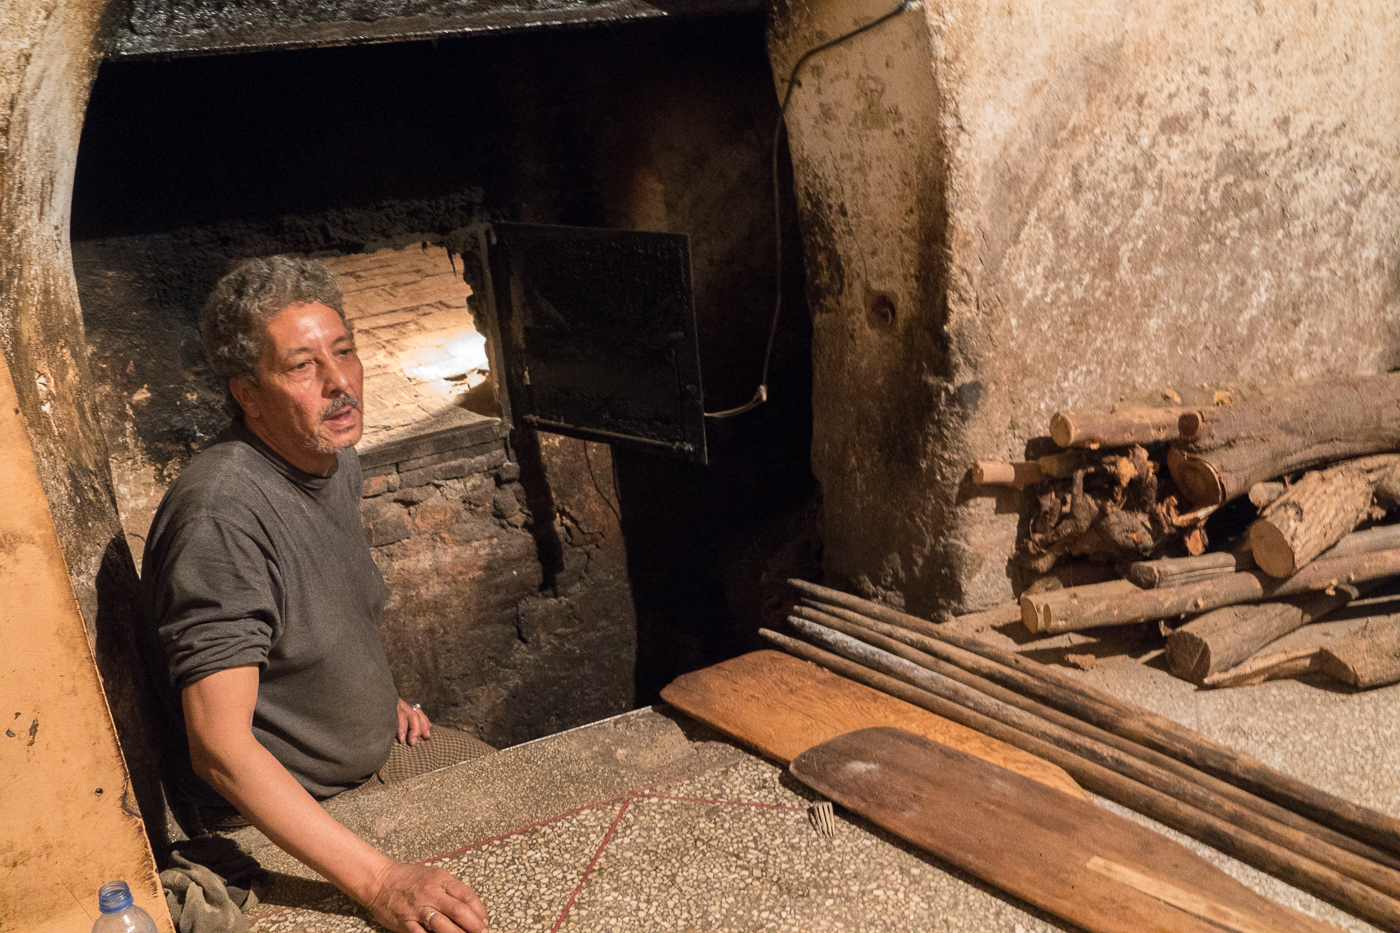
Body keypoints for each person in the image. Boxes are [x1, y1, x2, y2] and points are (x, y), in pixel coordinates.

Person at [139, 255, 489, 933]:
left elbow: (321, 603)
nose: (340, 383)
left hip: (379, 748)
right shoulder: (221, 520)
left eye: (345, 351)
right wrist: (381, 879)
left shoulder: (329, 454)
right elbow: (220, 748)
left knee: (512, 783)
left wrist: (374, 695)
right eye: (302, 366)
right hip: (292, 811)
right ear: (246, 392)